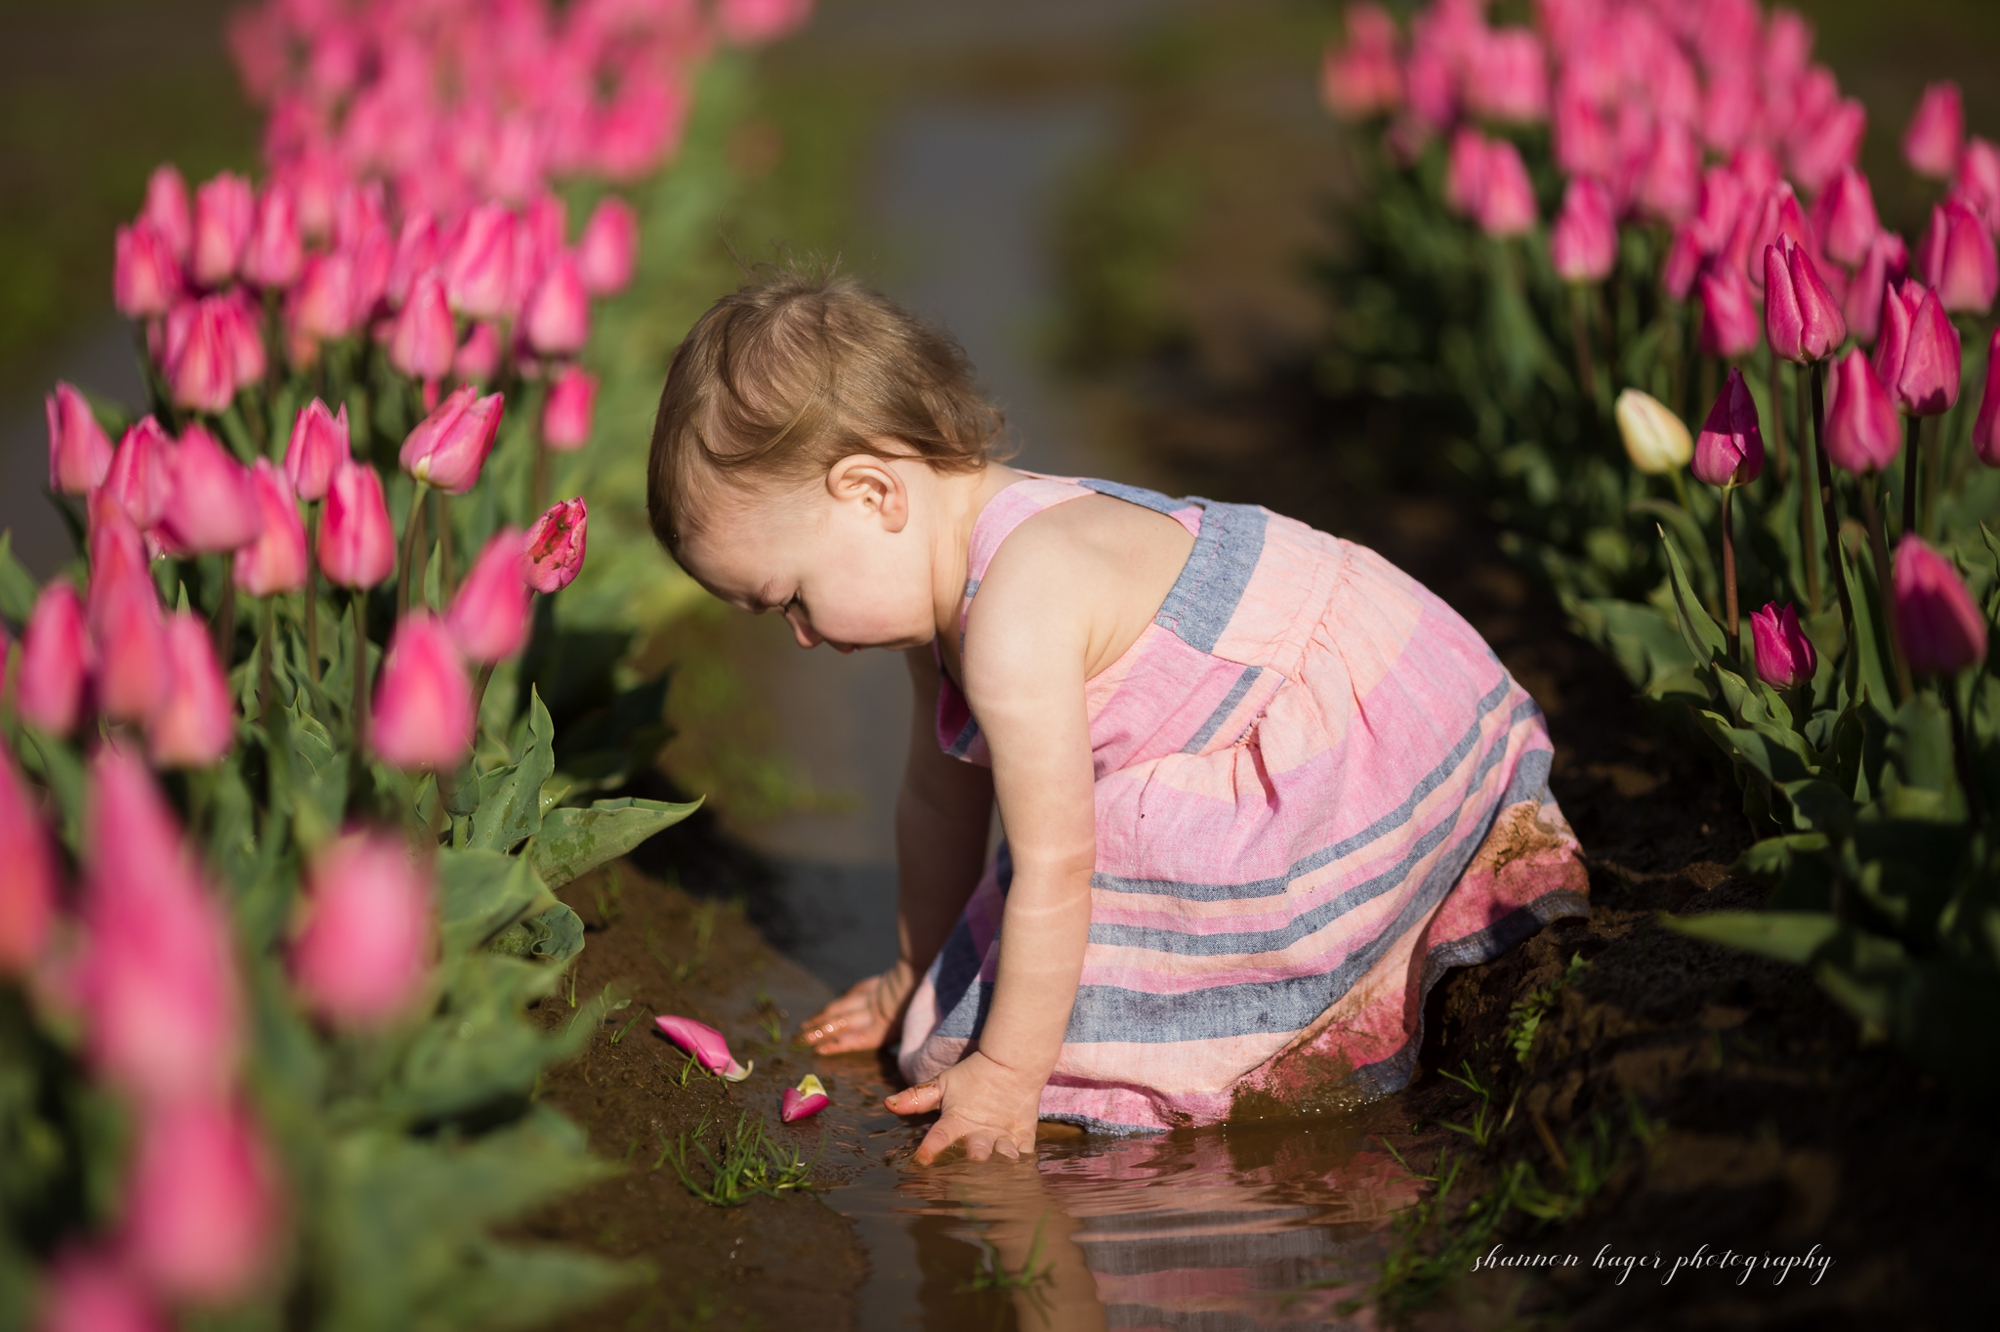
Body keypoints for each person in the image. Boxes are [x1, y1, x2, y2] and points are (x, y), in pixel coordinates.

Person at [646, 268, 1589, 1165]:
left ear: (872, 492)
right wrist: (908, 972)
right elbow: (941, 803)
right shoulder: (946, 590)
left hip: (1351, 730)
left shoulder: (1017, 607)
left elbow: (1061, 865)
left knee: (1003, 1039)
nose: (801, 637)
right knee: (948, 1009)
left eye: (790, 600)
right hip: (1367, 661)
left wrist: (1011, 1076)